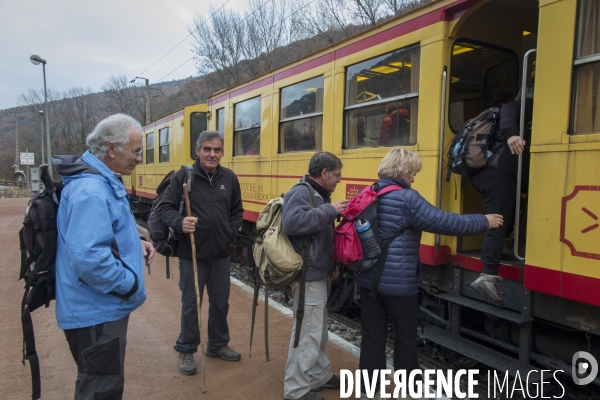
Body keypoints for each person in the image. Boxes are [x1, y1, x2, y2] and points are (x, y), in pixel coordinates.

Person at [355, 148, 503, 398]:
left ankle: (370, 390)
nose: (413, 178)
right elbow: (444, 222)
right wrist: (484, 221)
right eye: (413, 172)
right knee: (405, 337)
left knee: (372, 337)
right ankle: (408, 387)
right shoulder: (407, 198)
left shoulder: (369, 192)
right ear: (402, 170)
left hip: (368, 279)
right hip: (399, 284)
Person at [53, 114, 155, 399]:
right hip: (97, 312)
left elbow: (104, 233)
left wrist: (137, 242)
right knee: (101, 390)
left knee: (100, 383)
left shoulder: (100, 181)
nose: (139, 158)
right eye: (135, 151)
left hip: (98, 308)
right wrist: (129, 284)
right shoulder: (92, 190)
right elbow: (89, 258)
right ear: (111, 149)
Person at [158, 130, 244, 376]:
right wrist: (180, 222)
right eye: (207, 149)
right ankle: (186, 348)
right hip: (191, 252)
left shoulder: (229, 177)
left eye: (217, 150)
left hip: (220, 253)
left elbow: (237, 211)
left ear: (222, 153)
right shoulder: (183, 176)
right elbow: (165, 207)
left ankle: (217, 344)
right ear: (197, 151)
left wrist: (230, 231)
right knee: (191, 304)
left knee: (220, 303)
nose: (212, 154)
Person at [281, 152, 349, 400]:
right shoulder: (301, 192)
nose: (339, 180)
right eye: (338, 175)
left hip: (316, 274)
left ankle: (318, 375)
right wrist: (329, 211)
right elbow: (292, 223)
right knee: (307, 331)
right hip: (306, 277)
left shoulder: (318, 194)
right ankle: (296, 389)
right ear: (325, 173)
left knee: (317, 331)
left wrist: (330, 264)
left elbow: (317, 235)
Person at [469, 94, 533, 307]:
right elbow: (507, 110)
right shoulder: (517, 106)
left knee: (505, 216)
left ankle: (502, 251)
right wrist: (511, 135)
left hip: (489, 173)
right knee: (496, 221)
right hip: (497, 173)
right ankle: (488, 276)